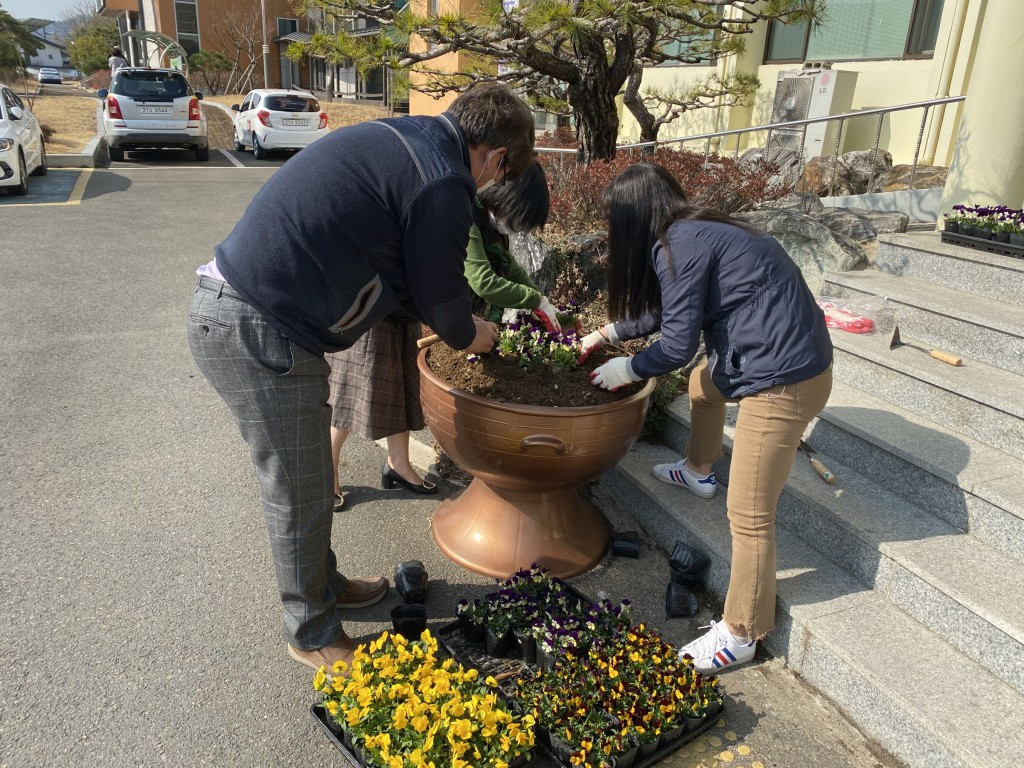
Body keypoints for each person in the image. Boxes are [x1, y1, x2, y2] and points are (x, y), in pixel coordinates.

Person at [186, 84, 535, 674]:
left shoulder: (406, 141)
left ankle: (322, 584)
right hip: (260, 325)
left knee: (309, 480)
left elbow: (408, 283)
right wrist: (484, 335)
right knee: (298, 489)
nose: (488, 187)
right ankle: (311, 631)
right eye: (499, 174)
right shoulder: (442, 179)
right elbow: (448, 312)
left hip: (249, 313)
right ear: (497, 156)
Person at [581, 163, 832, 673]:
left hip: (783, 382)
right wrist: (608, 333)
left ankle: (742, 633)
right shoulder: (693, 230)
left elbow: (674, 344)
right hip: (775, 360)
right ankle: (698, 472)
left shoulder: (680, 244)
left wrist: (628, 367)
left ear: (633, 217)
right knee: (702, 385)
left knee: (749, 515)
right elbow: (669, 313)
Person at [326, 315, 436, 513]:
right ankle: (326, 472)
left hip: (402, 309)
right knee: (352, 391)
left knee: (402, 380)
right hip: (367, 307)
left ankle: (398, 463)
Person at [466, 161, 560, 331]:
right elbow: (484, 283)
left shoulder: (492, 225)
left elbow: (511, 269)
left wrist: (544, 303)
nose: (515, 231)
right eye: (516, 222)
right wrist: (534, 300)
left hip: (482, 321)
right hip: (458, 317)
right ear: (504, 200)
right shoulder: (467, 220)